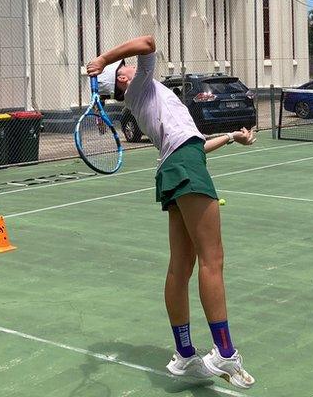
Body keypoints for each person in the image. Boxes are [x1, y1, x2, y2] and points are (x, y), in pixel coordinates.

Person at [87, 35, 256, 389]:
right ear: (122, 78)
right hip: (183, 165)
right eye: (125, 66)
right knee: (213, 260)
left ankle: (184, 356)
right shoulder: (142, 84)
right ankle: (225, 352)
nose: (130, 65)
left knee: (181, 268)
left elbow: (191, 145)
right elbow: (147, 42)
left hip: (174, 165)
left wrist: (229, 136)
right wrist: (104, 58)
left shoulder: (146, 97)